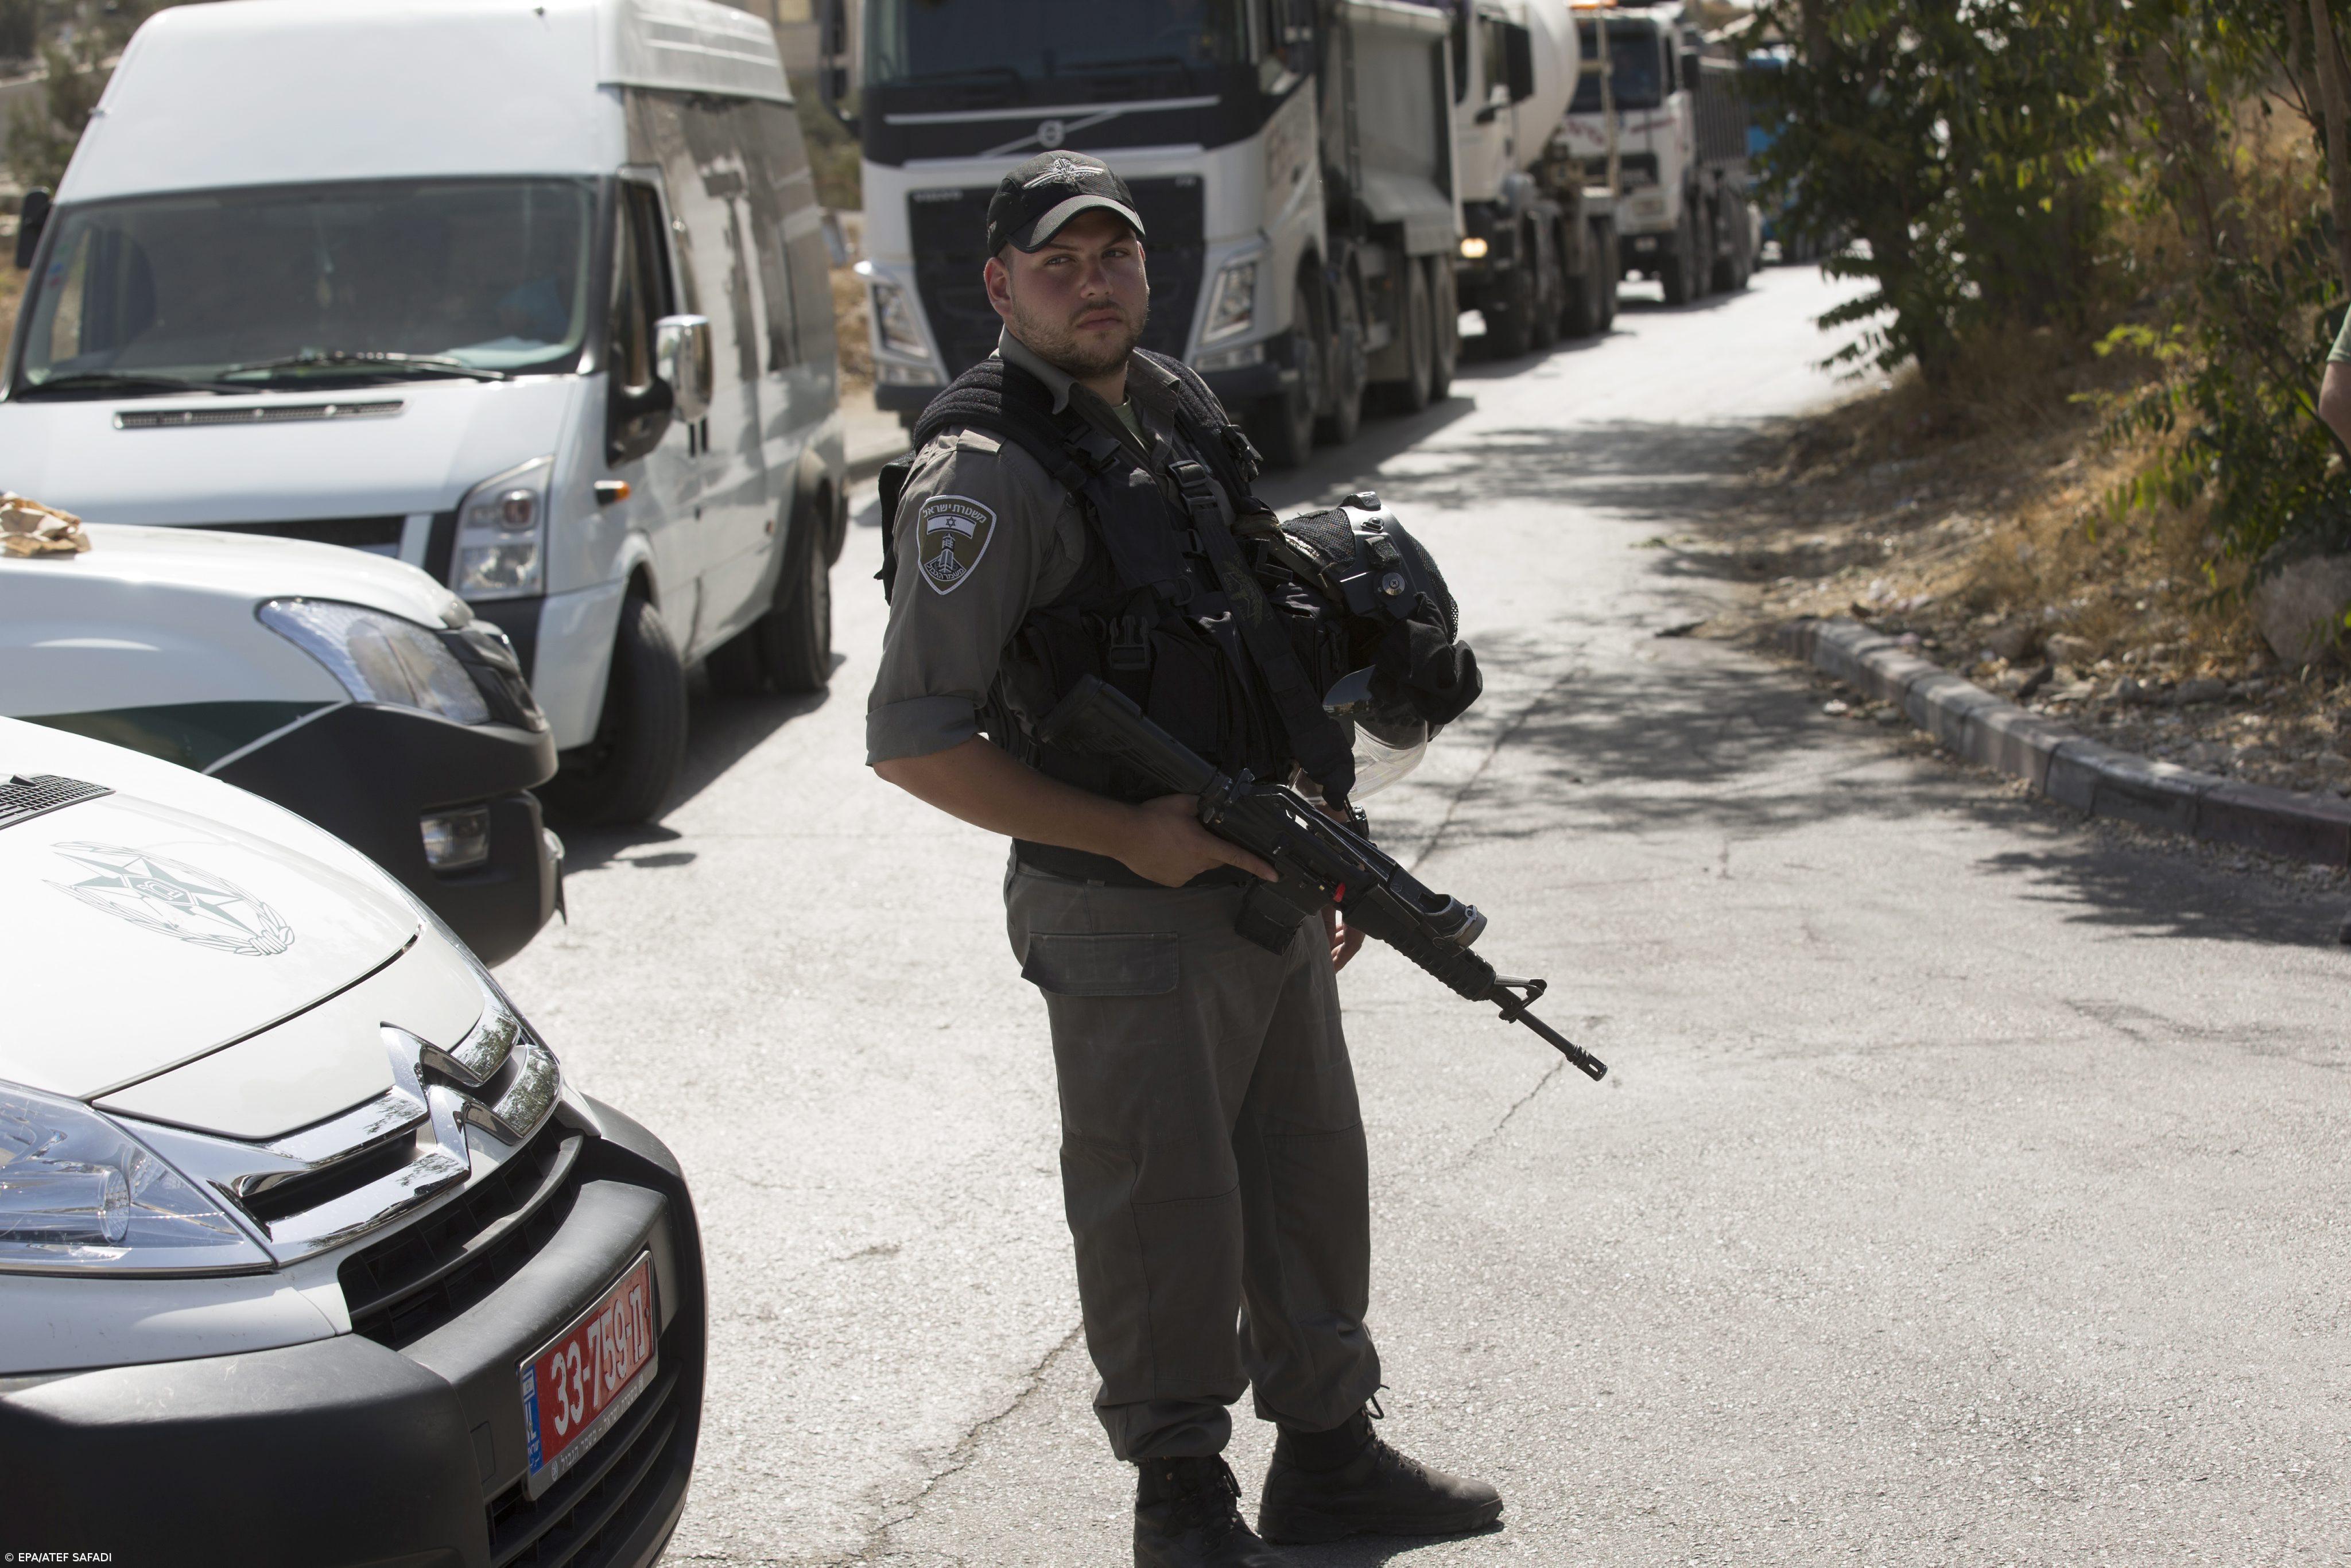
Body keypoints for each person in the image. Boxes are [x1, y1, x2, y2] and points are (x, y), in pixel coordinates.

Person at [866, 151, 1503, 1567]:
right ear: (998, 288)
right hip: (1122, 907)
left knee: (1306, 1176)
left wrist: (1329, 833)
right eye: (1058, 263)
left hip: (1263, 880)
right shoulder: (984, 475)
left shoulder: (1169, 407)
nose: (1092, 284)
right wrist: (1131, 836)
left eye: (1116, 256)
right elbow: (913, 743)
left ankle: (1328, 1459)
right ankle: (1182, 1505)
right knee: (1162, 1206)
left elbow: (1254, 642)